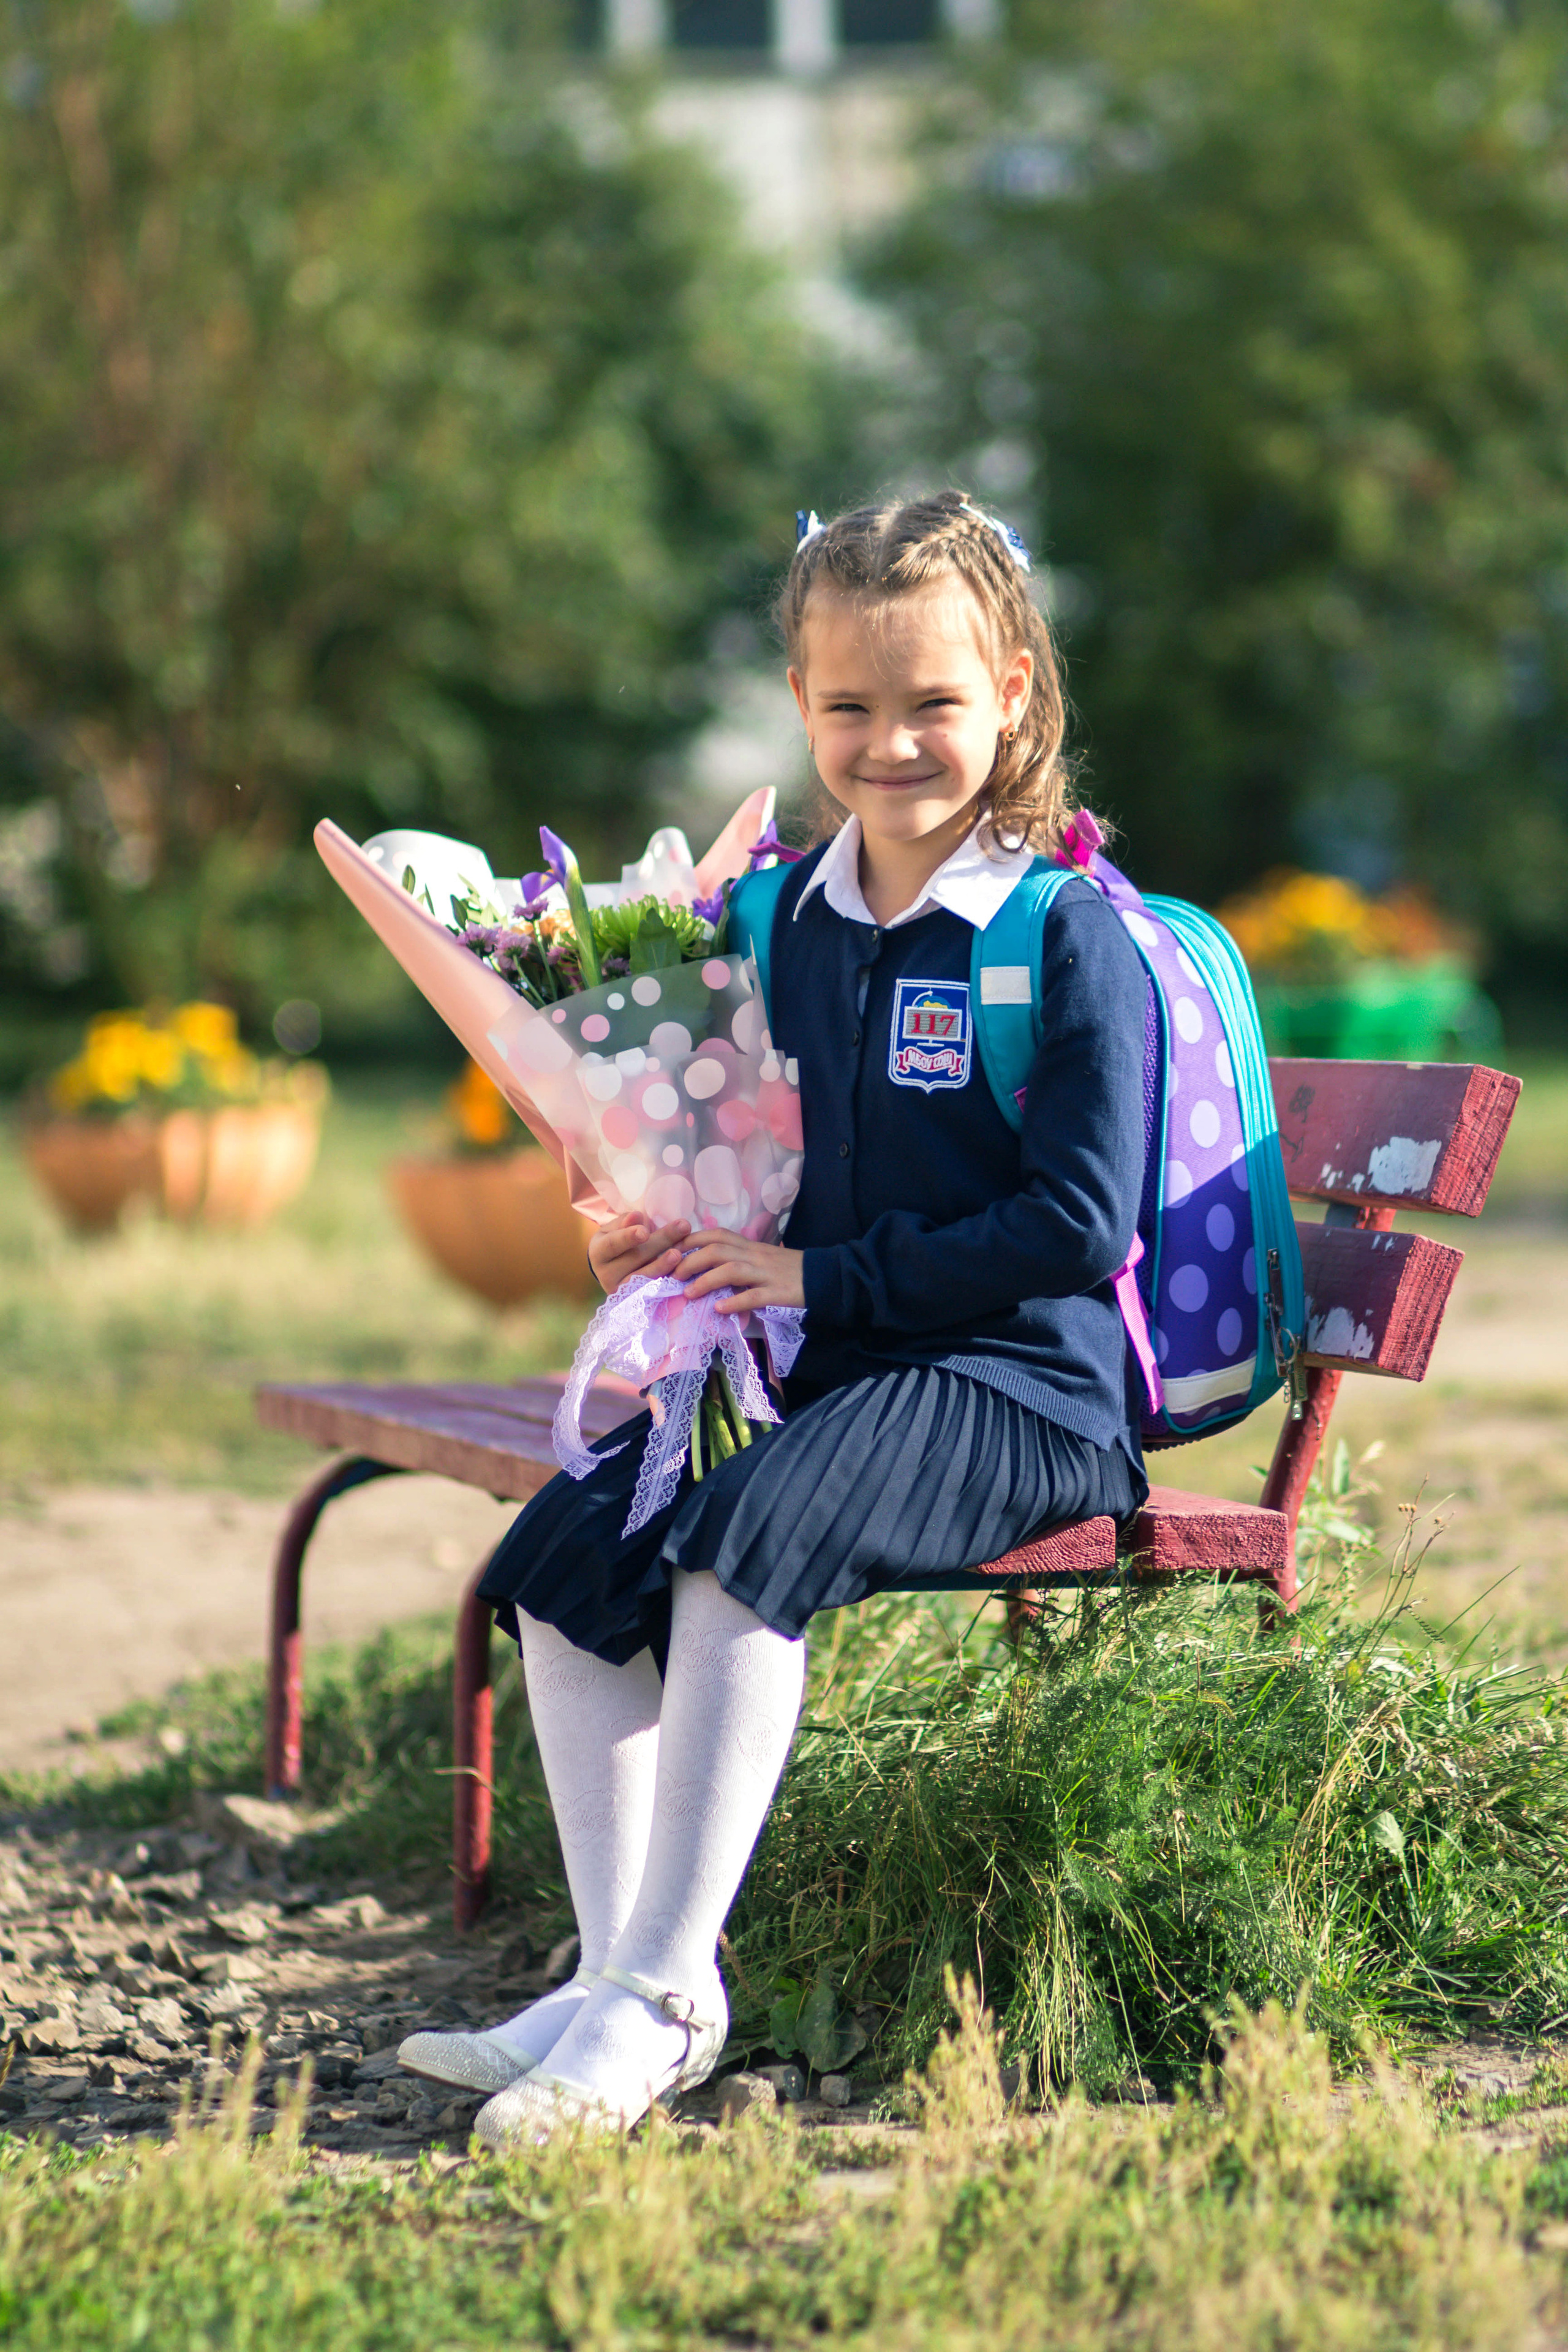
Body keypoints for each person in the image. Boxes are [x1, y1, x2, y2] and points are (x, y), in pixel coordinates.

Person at [398, 489, 1151, 2146]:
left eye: (935, 702)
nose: (892, 743)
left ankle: (664, 1999)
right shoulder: (786, 919)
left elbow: (1078, 1226)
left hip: (1025, 1384)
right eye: (850, 707)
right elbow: (766, 1154)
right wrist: (675, 1244)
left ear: (1013, 688)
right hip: (840, 1360)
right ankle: (624, 1980)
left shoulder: (1063, 934)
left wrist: (822, 1284)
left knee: (740, 1538)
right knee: (568, 1558)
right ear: (802, 705)